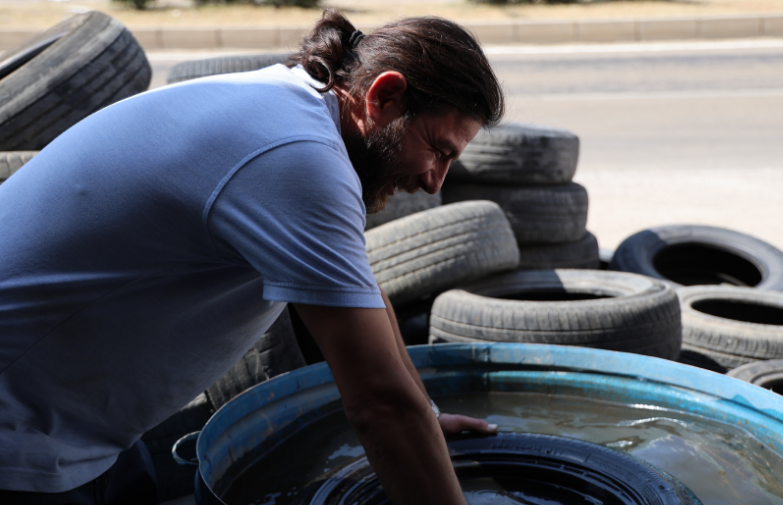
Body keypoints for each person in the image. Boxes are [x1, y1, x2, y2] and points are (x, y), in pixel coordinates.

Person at [0, 8, 505, 505]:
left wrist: (426, 416)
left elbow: (362, 296)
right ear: (385, 96)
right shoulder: (299, 157)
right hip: (19, 429)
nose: (434, 182)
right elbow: (378, 405)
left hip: (80, 425)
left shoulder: (289, 103)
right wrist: (410, 428)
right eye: (439, 150)